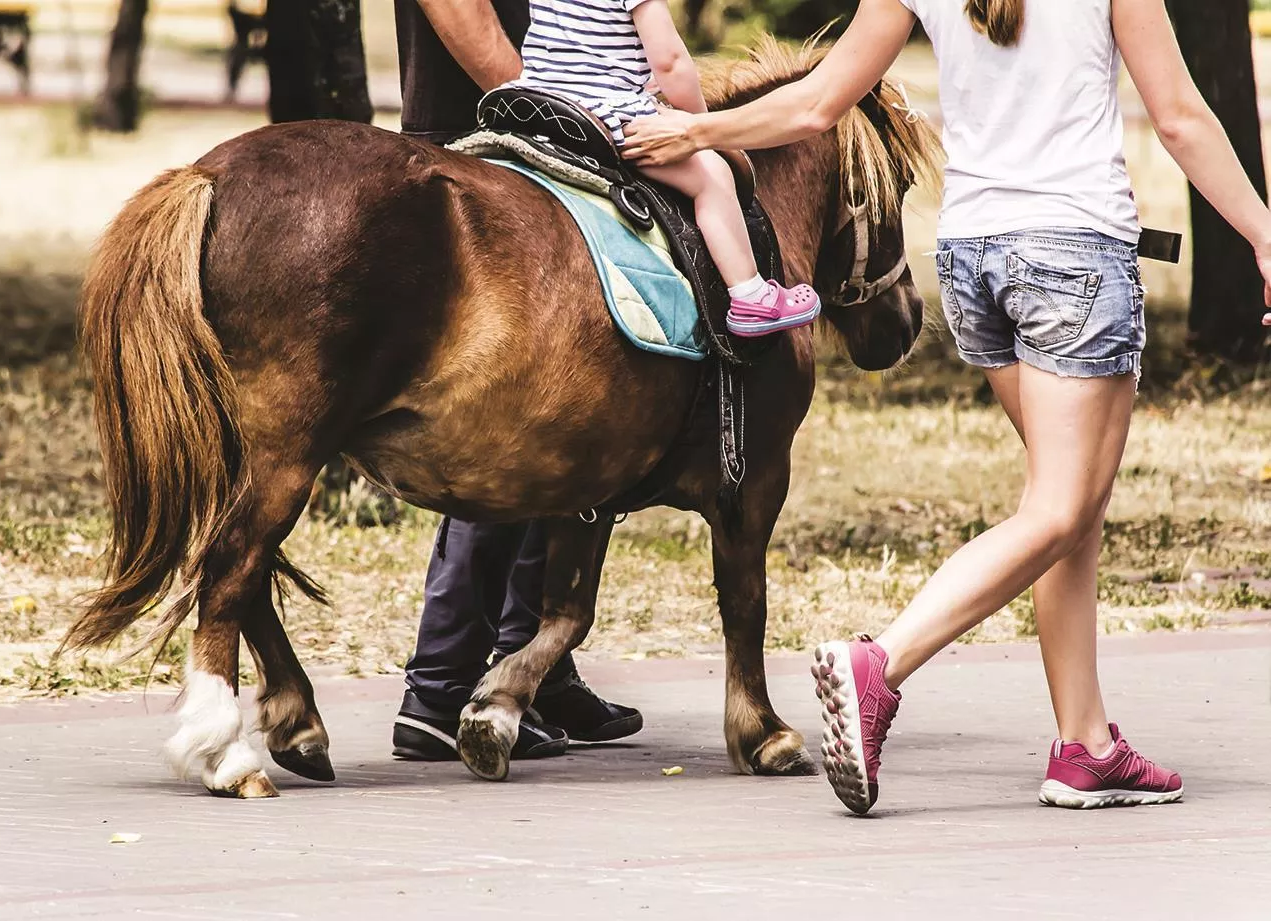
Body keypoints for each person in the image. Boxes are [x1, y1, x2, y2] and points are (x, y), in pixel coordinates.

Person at [623, 0, 1271, 812]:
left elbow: (819, 102)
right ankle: (879, 665)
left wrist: (699, 131)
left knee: (1066, 511)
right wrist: (1263, 234)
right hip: (1070, 252)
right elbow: (1177, 117)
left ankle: (1086, 745)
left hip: (973, 260)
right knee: (1061, 509)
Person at [390, 0, 643, 763]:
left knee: (577, 408)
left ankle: (533, 666)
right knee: (513, 424)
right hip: (490, 144)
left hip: (530, 135)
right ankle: (445, 686)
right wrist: (550, 112)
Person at [506, 0, 821, 336]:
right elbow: (670, 63)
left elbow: (578, 40)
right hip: (604, 116)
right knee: (713, 176)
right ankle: (750, 295)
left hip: (538, 105)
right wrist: (701, 125)